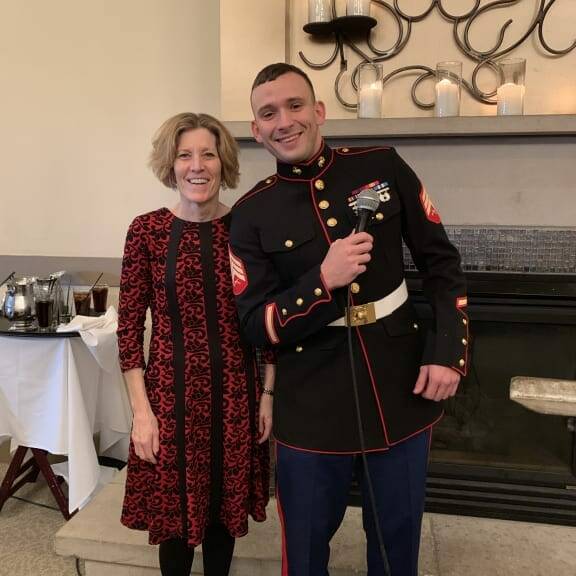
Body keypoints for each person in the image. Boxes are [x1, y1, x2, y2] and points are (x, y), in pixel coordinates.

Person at [229, 63, 469, 576]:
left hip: (399, 383)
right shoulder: (251, 213)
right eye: (268, 113)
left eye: (295, 106)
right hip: (310, 398)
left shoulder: (382, 165)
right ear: (256, 130)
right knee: (307, 545)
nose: (284, 121)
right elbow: (255, 322)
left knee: (396, 539)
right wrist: (323, 280)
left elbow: (442, 264)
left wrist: (448, 353)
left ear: (318, 111)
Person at [117, 112, 275, 576]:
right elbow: (128, 330)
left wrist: (268, 393)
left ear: (223, 162)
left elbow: (268, 320)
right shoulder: (146, 231)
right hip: (170, 399)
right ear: (171, 164)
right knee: (173, 521)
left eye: (208, 153)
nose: (197, 165)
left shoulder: (246, 229)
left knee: (222, 518)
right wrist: (141, 413)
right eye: (185, 155)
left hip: (235, 398)